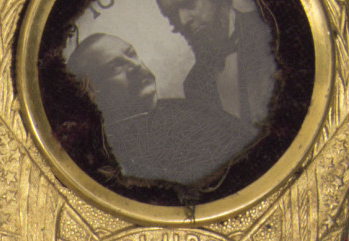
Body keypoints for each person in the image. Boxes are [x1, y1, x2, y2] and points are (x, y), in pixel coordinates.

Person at [65, 33, 252, 185]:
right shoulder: (104, 154)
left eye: (131, 54)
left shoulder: (187, 108)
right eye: (116, 67)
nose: (136, 66)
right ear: (90, 91)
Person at [155, 0, 278, 129]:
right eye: (172, 15)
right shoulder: (194, 84)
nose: (183, 21)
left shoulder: (270, 32)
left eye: (189, 3)